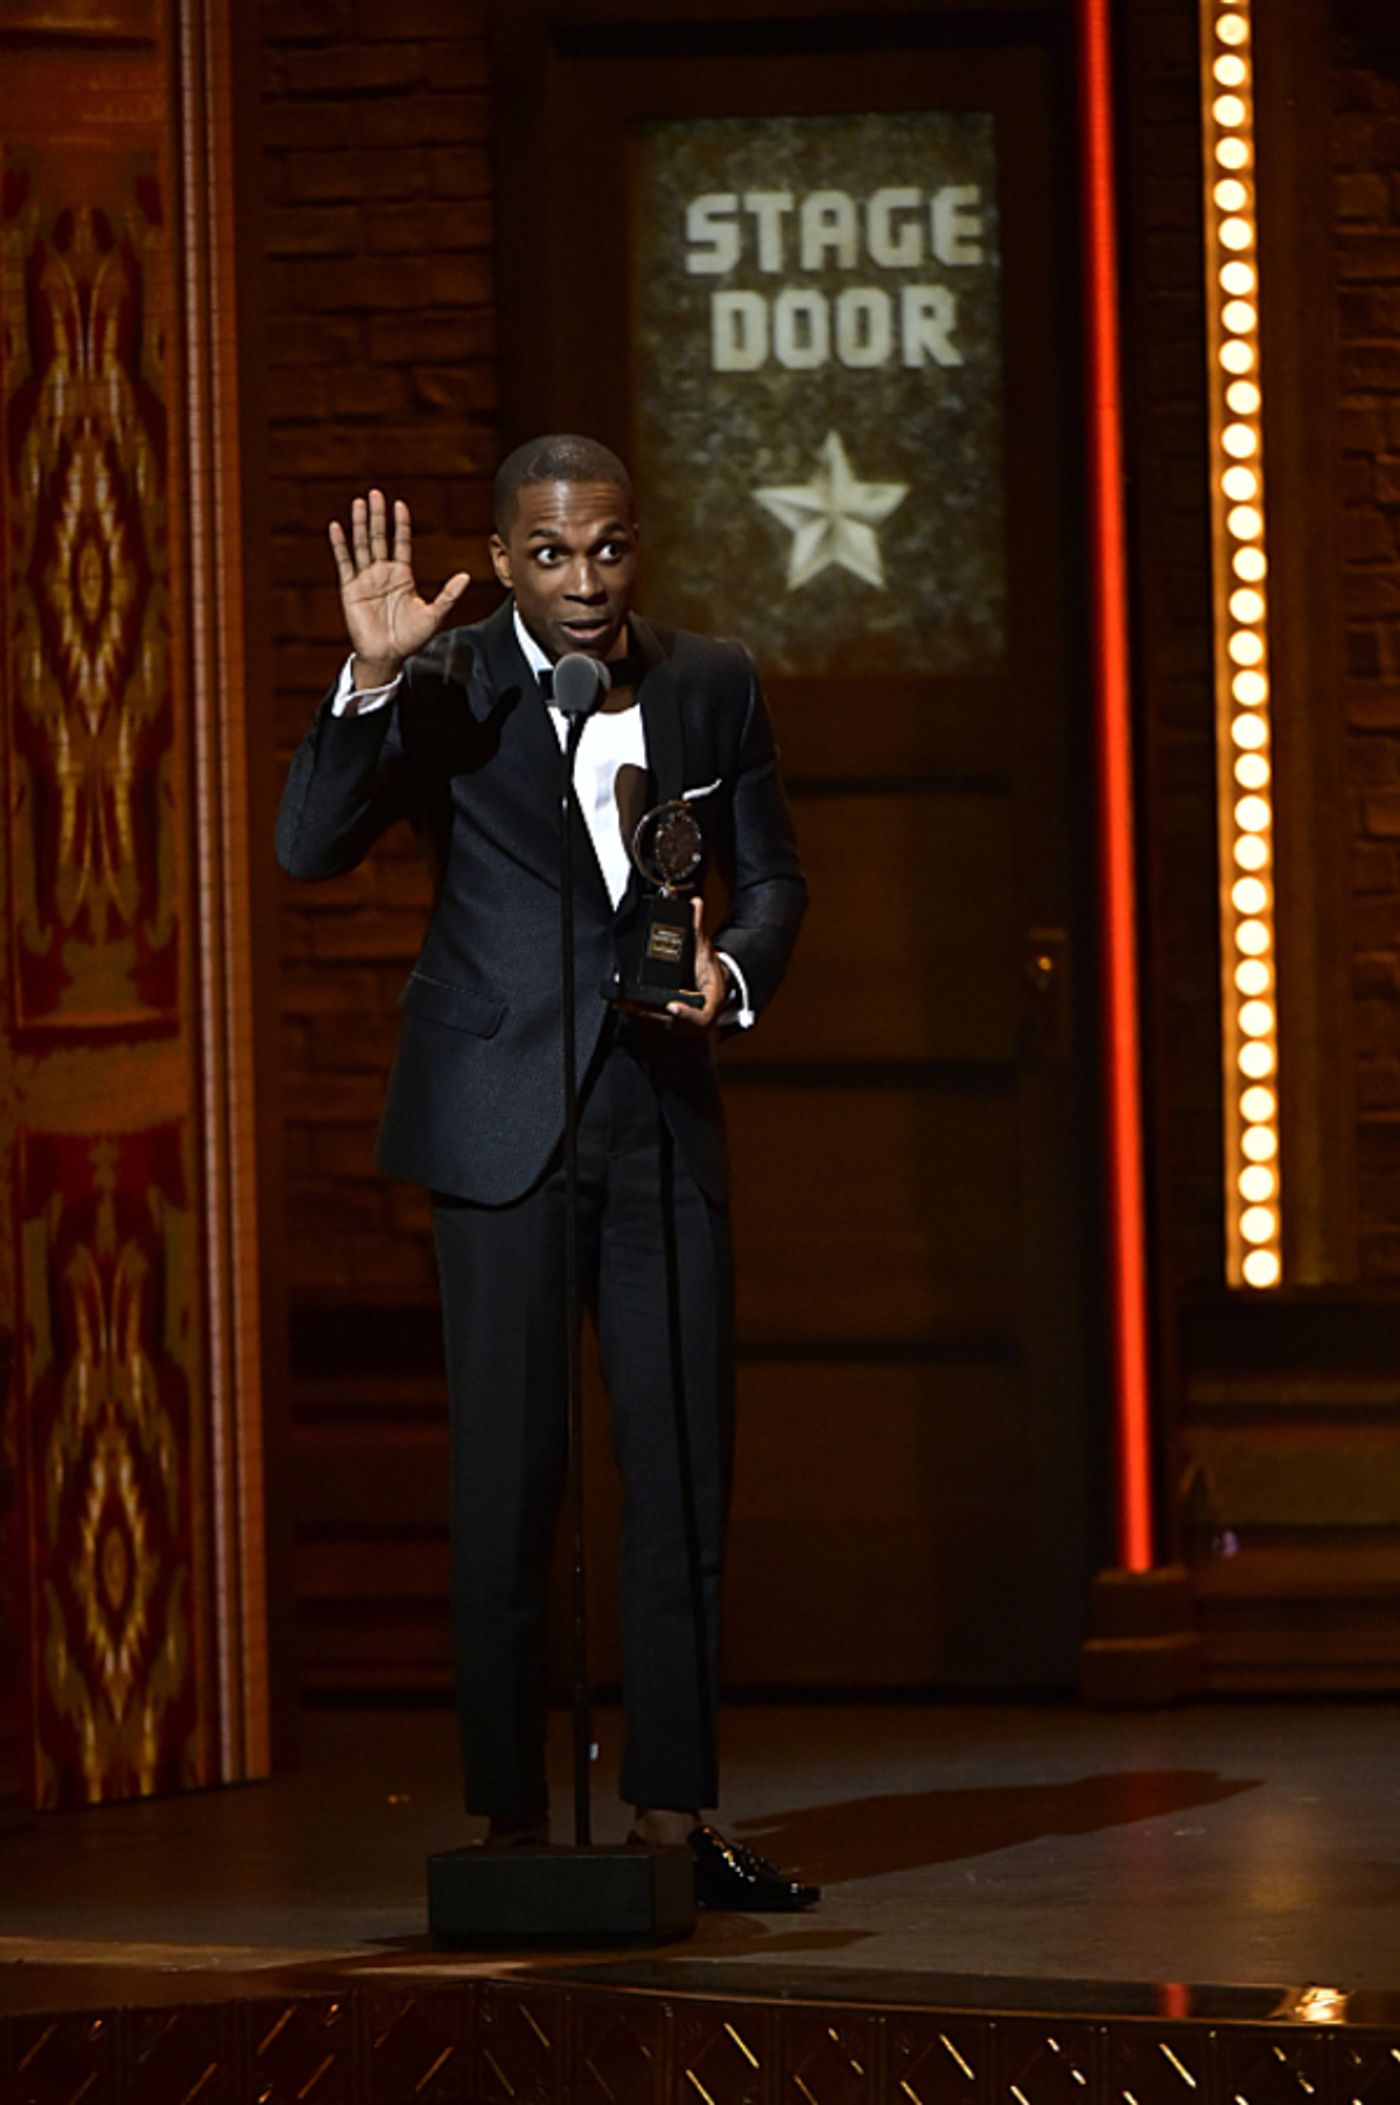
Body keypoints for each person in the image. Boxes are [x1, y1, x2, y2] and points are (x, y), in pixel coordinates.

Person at [276, 434, 815, 1909]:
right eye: (554, 554)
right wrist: (372, 676)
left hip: (658, 1116)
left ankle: (672, 1819)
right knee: (508, 1481)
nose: (586, 581)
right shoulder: (447, 681)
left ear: (638, 546)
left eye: (609, 549)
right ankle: (511, 1822)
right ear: (505, 560)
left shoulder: (712, 680)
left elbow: (773, 877)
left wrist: (734, 978)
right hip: (498, 1117)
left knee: (680, 1471)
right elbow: (309, 846)